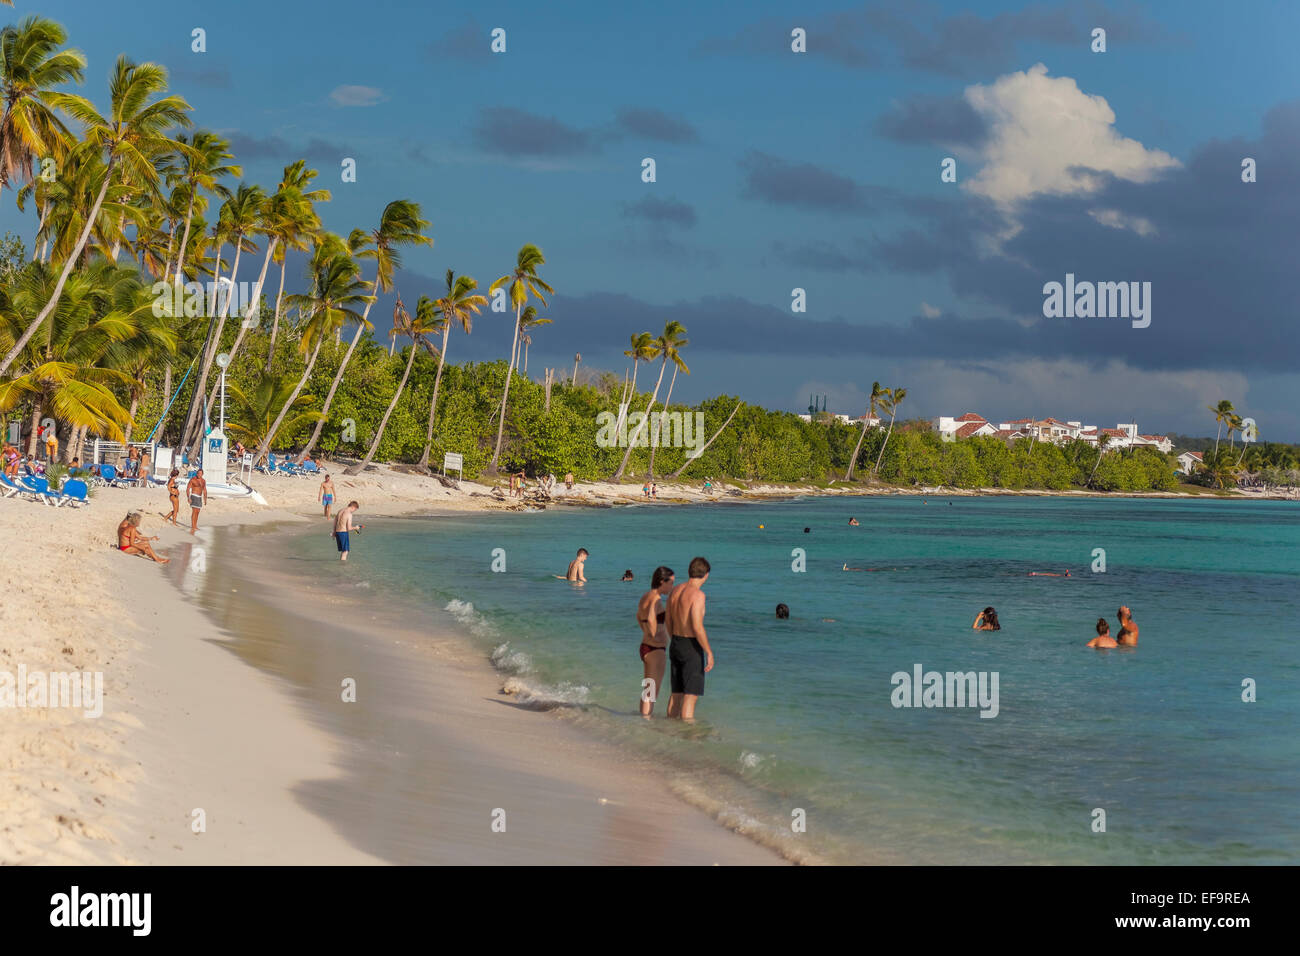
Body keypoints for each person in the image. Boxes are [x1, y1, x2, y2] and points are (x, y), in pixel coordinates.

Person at [667, 556, 713, 721]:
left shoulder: (676, 590)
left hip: (675, 642)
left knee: (676, 693)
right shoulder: (698, 595)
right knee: (690, 695)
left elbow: (668, 620)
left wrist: (673, 638)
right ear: (706, 575)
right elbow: (697, 627)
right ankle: (685, 737)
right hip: (690, 646)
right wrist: (709, 651)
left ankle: (667, 731)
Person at [636, 565, 675, 717]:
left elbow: (639, 616)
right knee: (652, 690)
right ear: (661, 582)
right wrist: (653, 633)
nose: (672, 587)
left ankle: (643, 719)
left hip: (646, 646)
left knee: (648, 688)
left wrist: (646, 631)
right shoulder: (656, 600)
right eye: (670, 583)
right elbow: (651, 619)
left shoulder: (645, 596)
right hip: (655, 649)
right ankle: (645, 721)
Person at [185, 468, 208, 534]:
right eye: (198, 473)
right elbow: (188, 489)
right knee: (194, 511)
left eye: (200, 473)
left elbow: (205, 490)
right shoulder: (193, 479)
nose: (199, 474)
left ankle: (195, 525)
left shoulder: (203, 481)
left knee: (198, 511)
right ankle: (193, 526)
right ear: (197, 473)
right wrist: (188, 498)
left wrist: (205, 499)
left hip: (199, 497)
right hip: (194, 496)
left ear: (202, 474)